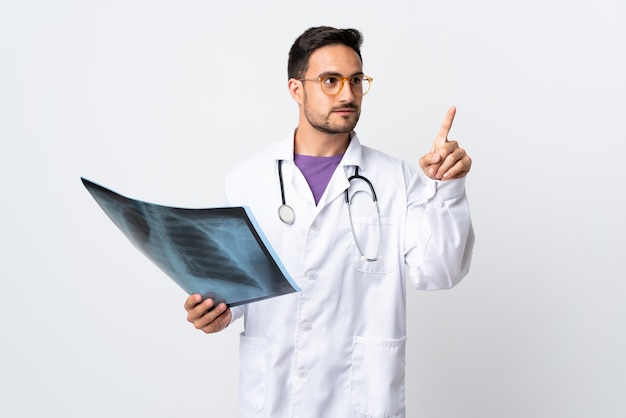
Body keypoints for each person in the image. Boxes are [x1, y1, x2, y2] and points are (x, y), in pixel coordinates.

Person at [184, 26, 474, 418]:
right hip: (274, 398)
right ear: (296, 89)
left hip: (360, 400)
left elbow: (439, 272)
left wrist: (446, 189)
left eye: (356, 81)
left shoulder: (395, 180)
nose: (348, 94)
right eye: (330, 81)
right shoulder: (247, 180)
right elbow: (237, 289)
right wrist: (216, 312)